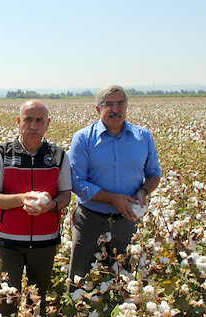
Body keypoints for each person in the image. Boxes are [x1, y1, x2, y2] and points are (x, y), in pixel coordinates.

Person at [0, 99, 72, 317]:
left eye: (39, 120)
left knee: (37, 300)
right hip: (8, 243)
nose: (33, 125)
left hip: (45, 242)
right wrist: (22, 198)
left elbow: (65, 196)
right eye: (28, 119)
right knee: (6, 302)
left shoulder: (58, 156)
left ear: (47, 123)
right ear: (19, 122)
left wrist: (51, 205)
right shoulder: (2, 154)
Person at [68, 85, 161, 284]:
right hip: (90, 220)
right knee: (81, 277)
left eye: (120, 103)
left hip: (127, 219)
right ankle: (80, 314)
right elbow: (75, 181)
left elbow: (154, 173)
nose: (115, 109)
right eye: (108, 104)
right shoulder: (83, 139)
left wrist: (143, 191)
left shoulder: (143, 137)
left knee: (124, 277)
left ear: (127, 106)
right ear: (98, 109)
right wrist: (112, 198)